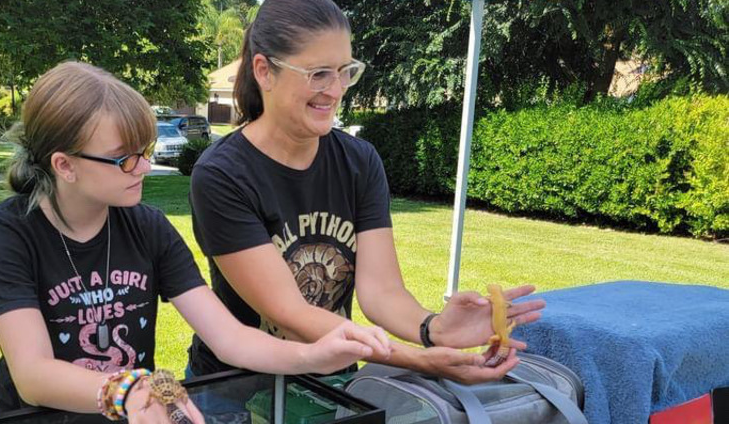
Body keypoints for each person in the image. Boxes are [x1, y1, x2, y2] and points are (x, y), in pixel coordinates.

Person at [0, 61, 391, 424]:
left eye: (145, 152)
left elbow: (229, 338)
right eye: (123, 159)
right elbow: (33, 374)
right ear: (65, 165)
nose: (145, 168)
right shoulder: (6, 235)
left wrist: (313, 355)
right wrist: (131, 389)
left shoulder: (147, 227)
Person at [188, 0, 545, 382]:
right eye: (319, 74)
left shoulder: (359, 160)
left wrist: (435, 328)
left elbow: (381, 292)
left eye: (345, 72)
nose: (335, 89)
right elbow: (290, 314)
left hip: (332, 384)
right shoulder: (222, 175)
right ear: (265, 71)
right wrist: (418, 359)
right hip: (235, 392)